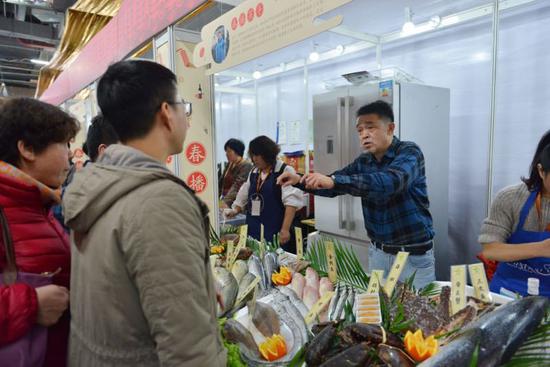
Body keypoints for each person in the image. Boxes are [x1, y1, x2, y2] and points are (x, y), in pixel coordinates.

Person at [62, 60, 226, 367]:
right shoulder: (160, 201)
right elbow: (188, 350)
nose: (186, 118)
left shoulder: (98, 183)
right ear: (166, 113)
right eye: (184, 107)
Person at [278, 100, 436, 289]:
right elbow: (333, 184)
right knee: (380, 311)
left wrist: (335, 180)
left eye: (370, 127)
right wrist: (299, 180)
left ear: (390, 128)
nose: (364, 135)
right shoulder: (364, 161)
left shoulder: (410, 152)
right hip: (378, 252)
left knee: (417, 314)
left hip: (412, 256)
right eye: (360, 130)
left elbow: (390, 182)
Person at [0, 97, 77, 367]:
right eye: (64, 144)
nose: (70, 154)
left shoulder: (38, 204)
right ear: (28, 149)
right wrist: (29, 304)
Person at [479, 130, 550, 297]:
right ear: (541, 170)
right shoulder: (510, 198)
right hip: (508, 294)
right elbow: (491, 250)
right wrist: (542, 248)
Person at [225, 136, 304, 252]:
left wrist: (285, 229)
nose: (254, 159)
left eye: (258, 155)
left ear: (268, 154)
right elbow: (244, 193)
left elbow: (291, 203)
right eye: (253, 155)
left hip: (275, 229)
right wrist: (235, 210)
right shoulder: (254, 172)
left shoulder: (284, 171)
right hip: (254, 227)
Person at [219, 138, 253, 208]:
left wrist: (225, 202)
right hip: (224, 200)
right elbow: (221, 182)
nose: (226, 154)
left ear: (237, 152)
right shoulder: (230, 164)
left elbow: (237, 186)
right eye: (226, 151)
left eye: (229, 151)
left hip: (236, 204)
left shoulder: (246, 165)